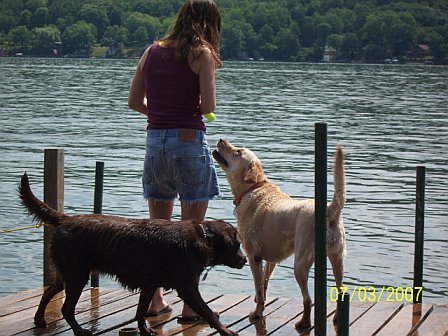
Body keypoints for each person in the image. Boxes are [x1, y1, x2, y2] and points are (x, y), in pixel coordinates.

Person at [127, 0, 222, 322]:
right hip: (188, 141)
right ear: (210, 23)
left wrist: (160, 114)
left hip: (155, 142)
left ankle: (153, 300)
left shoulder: (152, 50)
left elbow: (132, 101)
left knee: (158, 230)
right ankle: (190, 306)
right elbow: (209, 105)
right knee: (192, 232)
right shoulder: (202, 53)